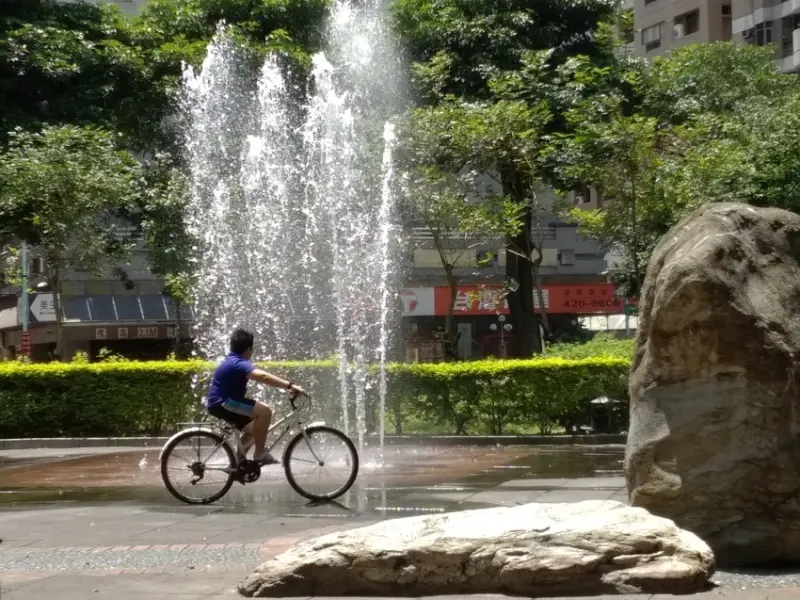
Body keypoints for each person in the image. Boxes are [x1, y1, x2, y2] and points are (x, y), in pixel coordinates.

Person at [206, 328, 306, 466]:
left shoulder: (231, 360)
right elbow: (263, 377)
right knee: (265, 412)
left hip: (222, 402)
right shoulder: (239, 362)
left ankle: (238, 460)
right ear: (248, 348)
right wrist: (290, 385)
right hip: (225, 402)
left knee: (262, 423)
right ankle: (259, 454)